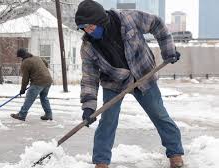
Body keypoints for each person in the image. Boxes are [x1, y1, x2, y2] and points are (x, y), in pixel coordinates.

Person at [75, 0, 184, 168]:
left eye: (90, 27)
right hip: (114, 81)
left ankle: (175, 153)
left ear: (100, 21)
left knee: (159, 114)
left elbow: (157, 24)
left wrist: (168, 50)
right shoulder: (88, 47)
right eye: (83, 28)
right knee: (108, 121)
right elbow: (89, 77)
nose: (87, 31)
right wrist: (88, 106)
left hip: (143, 73)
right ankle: (101, 162)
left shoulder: (129, 19)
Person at [10, 48, 53, 121]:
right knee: (44, 98)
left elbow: (25, 78)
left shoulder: (25, 63)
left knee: (29, 98)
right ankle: (48, 114)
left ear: (21, 56)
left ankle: (21, 115)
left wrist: (22, 89)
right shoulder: (37, 57)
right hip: (48, 80)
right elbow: (46, 63)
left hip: (38, 82)